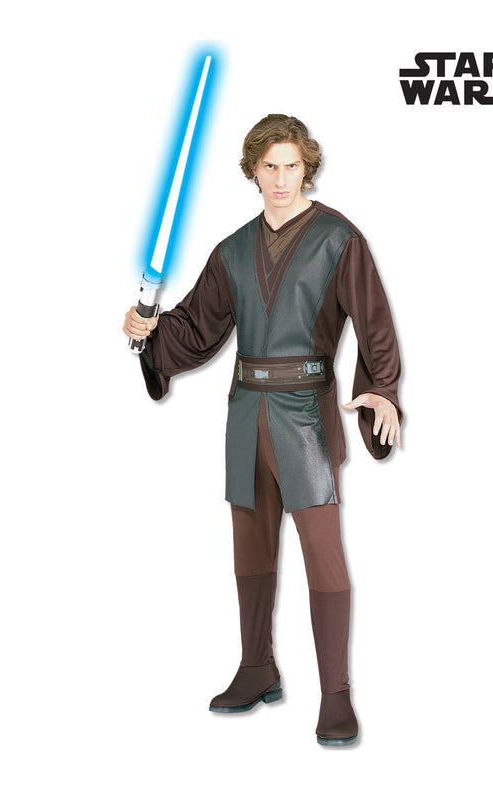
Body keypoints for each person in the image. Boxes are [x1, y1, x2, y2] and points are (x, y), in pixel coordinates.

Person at [123, 114, 403, 746]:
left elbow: (375, 322)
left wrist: (382, 389)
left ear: (307, 167)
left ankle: (336, 695)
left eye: (291, 166)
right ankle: (257, 668)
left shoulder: (339, 239)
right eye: (270, 166)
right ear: (253, 170)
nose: (281, 179)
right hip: (246, 409)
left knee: (323, 552)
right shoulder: (232, 250)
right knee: (249, 548)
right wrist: (149, 331)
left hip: (305, 415)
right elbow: (195, 328)